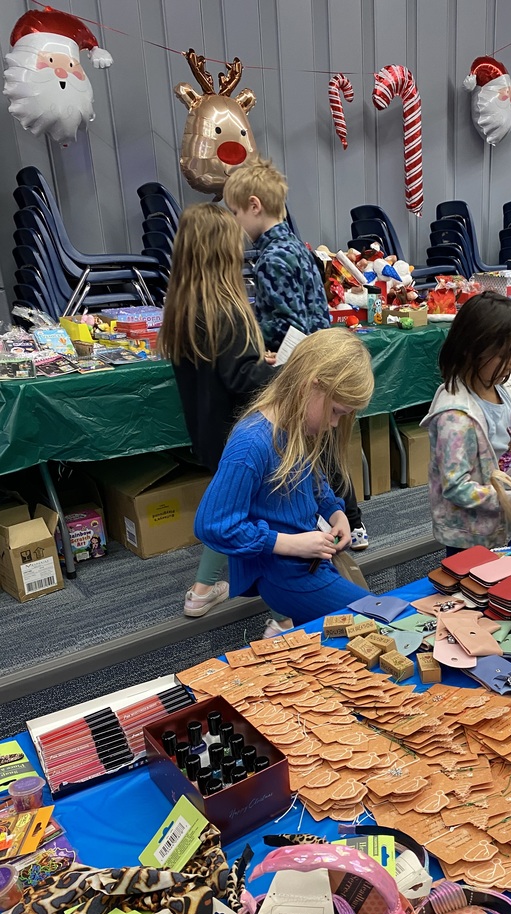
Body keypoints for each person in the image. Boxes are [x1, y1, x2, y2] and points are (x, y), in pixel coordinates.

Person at [222, 158, 369, 556]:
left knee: (312, 451)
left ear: (254, 205)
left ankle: (339, 524)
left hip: (300, 369)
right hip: (321, 359)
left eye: (235, 212)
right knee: (325, 447)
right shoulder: (300, 249)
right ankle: (350, 522)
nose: (234, 221)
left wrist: (271, 353)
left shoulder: (272, 258)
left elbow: (287, 325)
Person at [194, 328, 374, 625]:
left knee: (366, 626)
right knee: (373, 621)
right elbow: (212, 524)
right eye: (336, 412)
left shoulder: (298, 427)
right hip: (284, 573)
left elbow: (315, 484)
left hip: (308, 563)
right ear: (310, 386)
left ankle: (287, 637)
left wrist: (336, 512)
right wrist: (291, 544)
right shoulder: (252, 442)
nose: (333, 424)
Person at [157, 203, 276, 618]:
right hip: (241, 434)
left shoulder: (184, 308)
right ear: (221, 253)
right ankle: (282, 617)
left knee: (226, 505)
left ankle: (202, 590)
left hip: (209, 433)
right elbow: (245, 379)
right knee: (262, 519)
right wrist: (277, 371)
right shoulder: (228, 311)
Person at [422, 291, 511, 555]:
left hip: (507, 520)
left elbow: (506, 439)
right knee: (475, 590)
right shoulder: (455, 417)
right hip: (470, 535)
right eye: (503, 355)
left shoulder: (504, 389)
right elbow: (456, 487)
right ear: (470, 349)